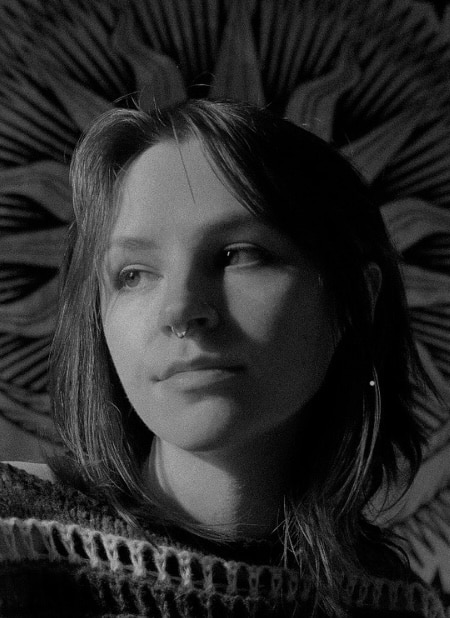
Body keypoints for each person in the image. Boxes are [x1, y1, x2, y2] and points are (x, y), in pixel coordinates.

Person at [0, 100, 446, 618]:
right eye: (133, 274)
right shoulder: (15, 538)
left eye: (238, 254)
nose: (180, 310)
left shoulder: (400, 605)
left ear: (355, 301)